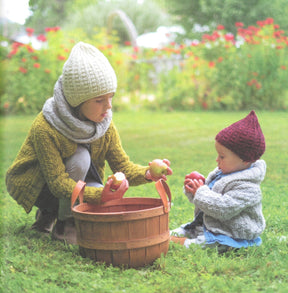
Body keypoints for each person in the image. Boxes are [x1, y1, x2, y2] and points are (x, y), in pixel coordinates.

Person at [6, 42, 172, 244]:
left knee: (96, 198)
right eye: (99, 100)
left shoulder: (104, 125)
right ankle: (64, 223)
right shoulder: (46, 126)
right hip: (42, 186)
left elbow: (123, 166)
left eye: (111, 97)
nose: (109, 106)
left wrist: (148, 173)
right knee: (81, 157)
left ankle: (53, 215)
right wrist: (98, 195)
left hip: (75, 184)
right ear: (77, 101)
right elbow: (58, 183)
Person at [170, 111, 266, 252]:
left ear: (245, 160)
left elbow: (222, 208)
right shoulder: (221, 173)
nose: (217, 160)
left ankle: (179, 243)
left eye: (222, 156)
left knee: (205, 244)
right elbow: (205, 201)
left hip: (230, 234)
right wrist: (194, 189)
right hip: (209, 225)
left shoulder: (249, 188)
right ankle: (171, 236)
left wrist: (200, 191)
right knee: (181, 231)